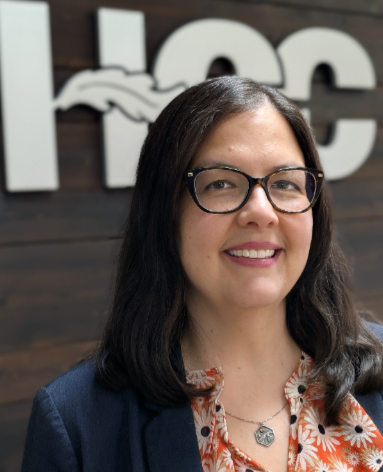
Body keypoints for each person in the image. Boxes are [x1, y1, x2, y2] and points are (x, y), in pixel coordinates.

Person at [22, 77, 383, 472]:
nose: (262, 212)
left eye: (284, 183)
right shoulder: (78, 424)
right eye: (221, 184)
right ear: (163, 212)